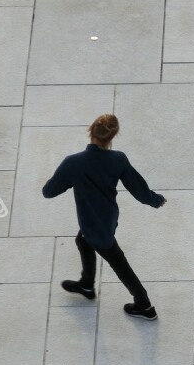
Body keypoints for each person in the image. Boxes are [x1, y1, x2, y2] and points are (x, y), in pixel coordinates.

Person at [42, 114, 166, 321]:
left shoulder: (73, 163)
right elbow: (138, 189)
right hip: (108, 217)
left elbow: (49, 191)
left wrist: (67, 177)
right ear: (112, 137)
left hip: (93, 223)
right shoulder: (118, 159)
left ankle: (144, 305)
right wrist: (155, 200)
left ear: (90, 131)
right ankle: (87, 285)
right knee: (82, 241)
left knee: (117, 261)